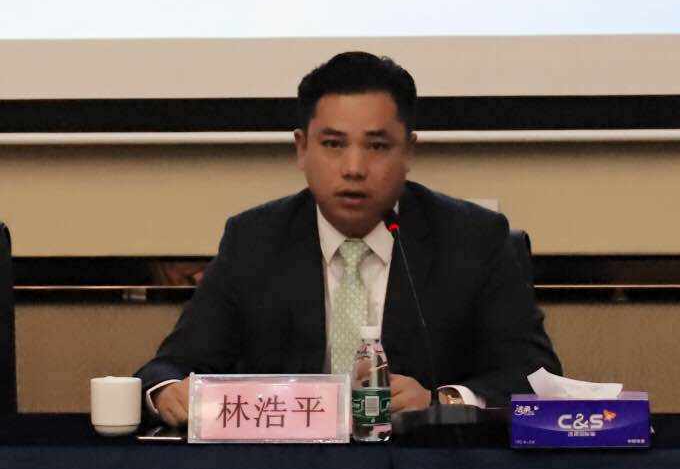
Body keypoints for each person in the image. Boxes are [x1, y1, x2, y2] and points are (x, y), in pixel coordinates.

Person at [136, 51, 561, 427]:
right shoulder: (254, 241)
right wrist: (169, 392)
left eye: (376, 146)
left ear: (408, 151)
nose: (354, 168)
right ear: (302, 148)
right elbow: (169, 368)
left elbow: (535, 376)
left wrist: (443, 401)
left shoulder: (474, 240)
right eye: (334, 144)